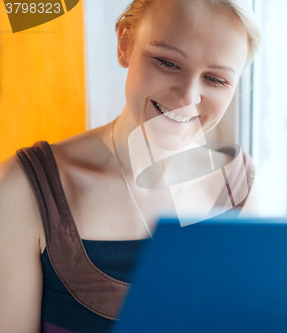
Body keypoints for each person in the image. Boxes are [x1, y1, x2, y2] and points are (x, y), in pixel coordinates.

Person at [0, 0, 261, 332]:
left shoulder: (238, 184)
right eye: (167, 62)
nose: (187, 96)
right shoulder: (21, 190)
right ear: (125, 43)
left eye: (215, 80)